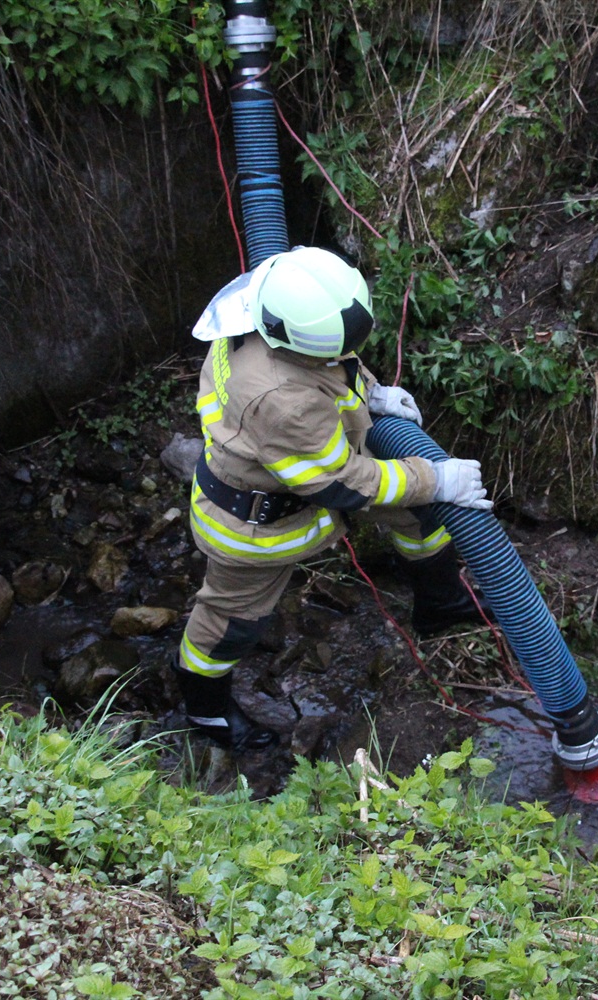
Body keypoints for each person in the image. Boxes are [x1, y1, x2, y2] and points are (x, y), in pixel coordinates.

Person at [175, 246, 495, 751]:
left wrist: (372, 393)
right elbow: (344, 483)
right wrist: (434, 479)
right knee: (231, 622)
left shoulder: (269, 303)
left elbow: (330, 358)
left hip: (300, 470)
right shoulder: (280, 399)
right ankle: (205, 711)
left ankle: (441, 605)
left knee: (418, 513)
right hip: (255, 525)